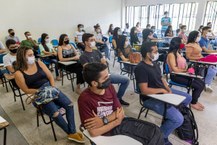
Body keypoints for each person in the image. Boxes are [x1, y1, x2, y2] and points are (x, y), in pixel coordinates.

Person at [78, 62, 164, 144]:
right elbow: (93, 132)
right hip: (107, 134)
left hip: (119, 124)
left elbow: (121, 112)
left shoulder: (109, 87)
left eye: (108, 75)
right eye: (105, 78)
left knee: (156, 132)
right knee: (153, 137)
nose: (109, 78)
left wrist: (103, 120)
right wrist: (115, 121)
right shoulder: (84, 99)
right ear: (94, 83)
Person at [14, 46, 85, 143]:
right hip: (37, 93)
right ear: (22, 57)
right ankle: (71, 133)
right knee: (55, 113)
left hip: (50, 88)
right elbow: (26, 90)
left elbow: (51, 77)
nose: (33, 57)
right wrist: (40, 91)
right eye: (30, 55)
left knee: (70, 105)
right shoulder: (18, 73)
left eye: (33, 54)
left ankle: (72, 132)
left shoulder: (39, 63)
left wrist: (52, 88)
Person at [134, 42, 192, 145]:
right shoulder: (141, 68)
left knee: (187, 98)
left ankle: (170, 117)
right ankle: (161, 137)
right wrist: (162, 91)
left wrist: (167, 89)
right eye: (155, 51)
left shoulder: (155, 64)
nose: (157, 53)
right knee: (178, 119)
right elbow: (144, 90)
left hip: (162, 92)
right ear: (148, 54)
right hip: (150, 98)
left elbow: (161, 79)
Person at [80, 33, 130, 106]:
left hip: (106, 74)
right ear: (86, 42)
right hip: (97, 79)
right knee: (107, 89)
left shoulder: (96, 51)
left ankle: (118, 98)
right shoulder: (83, 56)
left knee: (126, 80)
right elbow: (89, 72)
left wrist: (103, 63)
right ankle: (110, 100)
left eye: (94, 39)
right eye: (91, 40)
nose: (94, 41)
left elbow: (105, 64)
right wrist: (101, 64)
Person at [167, 37, 205, 111]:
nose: (183, 44)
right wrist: (185, 71)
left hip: (182, 74)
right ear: (177, 44)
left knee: (201, 83)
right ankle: (193, 103)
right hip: (175, 76)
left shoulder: (178, 52)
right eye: (182, 42)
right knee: (198, 86)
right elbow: (174, 69)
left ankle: (194, 100)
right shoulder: (171, 54)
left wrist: (187, 69)